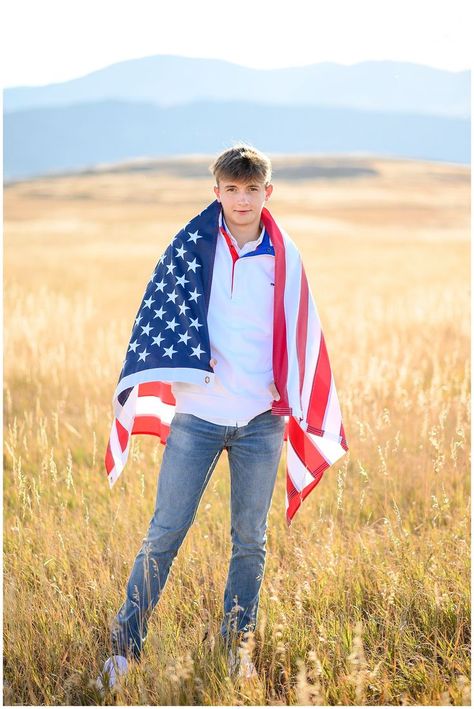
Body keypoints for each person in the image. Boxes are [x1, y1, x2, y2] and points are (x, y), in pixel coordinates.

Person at [97, 143, 331, 693]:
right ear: (217, 192)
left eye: (252, 190)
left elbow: (301, 332)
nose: (242, 199)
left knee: (250, 540)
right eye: (232, 189)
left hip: (260, 421)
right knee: (165, 533)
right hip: (198, 416)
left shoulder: (284, 257)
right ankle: (124, 650)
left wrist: (290, 385)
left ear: (266, 193)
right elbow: (160, 315)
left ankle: (235, 652)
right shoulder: (190, 248)